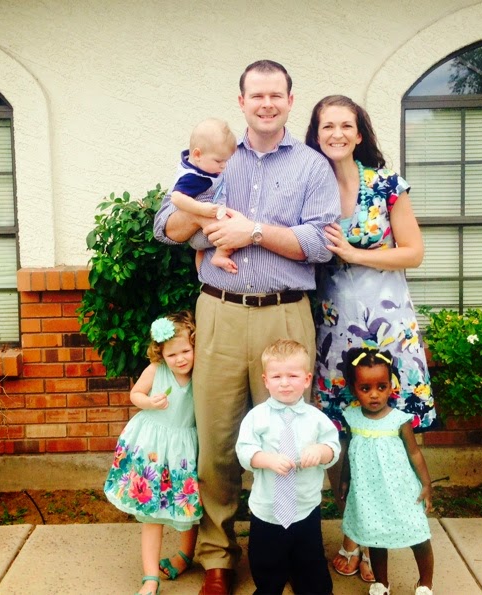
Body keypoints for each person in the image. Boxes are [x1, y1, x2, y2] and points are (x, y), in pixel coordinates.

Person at [154, 60, 341, 595]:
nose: (266, 103)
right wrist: (204, 217)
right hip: (221, 312)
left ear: (290, 100)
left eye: (275, 95)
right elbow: (166, 228)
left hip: (285, 314)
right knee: (217, 440)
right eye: (256, 95)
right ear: (241, 101)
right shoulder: (216, 159)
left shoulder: (312, 167)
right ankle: (217, 556)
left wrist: (252, 231)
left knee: (288, 436)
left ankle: (286, 552)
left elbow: (320, 243)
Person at [305, 94, 436, 583]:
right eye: (327, 126)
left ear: (359, 134)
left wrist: (356, 254)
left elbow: (414, 252)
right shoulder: (309, 185)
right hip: (334, 327)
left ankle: (387, 527)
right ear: (316, 135)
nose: (336, 134)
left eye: (346, 125)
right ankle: (354, 534)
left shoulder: (386, 185)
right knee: (342, 430)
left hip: (387, 326)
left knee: (388, 430)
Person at [104, 311, 202, 595]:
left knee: (187, 506)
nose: (180, 359)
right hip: (154, 451)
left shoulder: (200, 373)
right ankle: (150, 578)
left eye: (185, 351)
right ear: (161, 354)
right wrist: (148, 402)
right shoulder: (156, 371)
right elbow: (135, 394)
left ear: (195, 346)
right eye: (172, 355)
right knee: (151, 513)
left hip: (183, 451)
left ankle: (184, 556)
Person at [236, 339, 341, 595]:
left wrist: (320, 451)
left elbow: (333, 448)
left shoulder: (317, 419)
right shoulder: (256, 417)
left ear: (306, 379)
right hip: (268, 510)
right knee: (266, 562)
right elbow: (244, 450)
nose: (284, 383)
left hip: (305, 508)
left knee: (310, 563)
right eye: (277, 376)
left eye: (292, 376)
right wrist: (267, 459)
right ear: (265, 380)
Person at [340, 347, 434, 595]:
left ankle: (425, 583)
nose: (374, 395)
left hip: (401, 491)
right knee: (375, 536)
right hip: (369, 492)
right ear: (354, 389)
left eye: (381, 387)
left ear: (391, 386)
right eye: (365, 388)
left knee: (417, 534)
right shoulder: (352, 418)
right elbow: (349, 452)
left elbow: (415, 453)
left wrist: (426, 484)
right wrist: (344, 481)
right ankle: (381, 582)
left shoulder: (399, 420)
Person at [169, 118, 238, 273]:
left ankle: (202, 268)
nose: (224, 165)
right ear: (197, 154)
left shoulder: (202, 168)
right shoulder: (193, 177)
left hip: (203, 231)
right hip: (202, 232)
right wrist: (201, 210)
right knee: (231, 229)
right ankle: (220, 255)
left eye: (226, 161)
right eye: (219, 161)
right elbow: (176, 197)